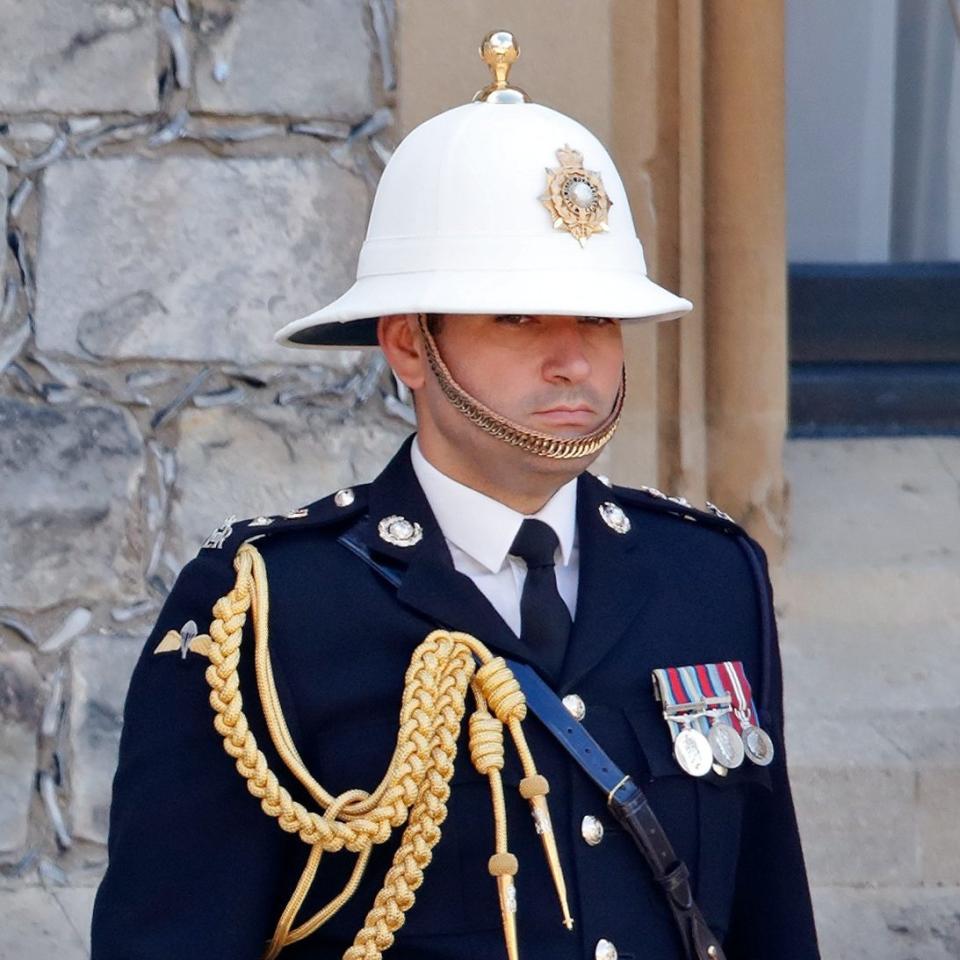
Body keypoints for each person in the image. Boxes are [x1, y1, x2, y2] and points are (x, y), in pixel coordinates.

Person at [91, 31, 820, 960]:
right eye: (517, 315)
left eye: (598, 315)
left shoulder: (708, 578)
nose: (573, 357)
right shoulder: (264, 609)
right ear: (408, 346)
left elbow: (769, 922)